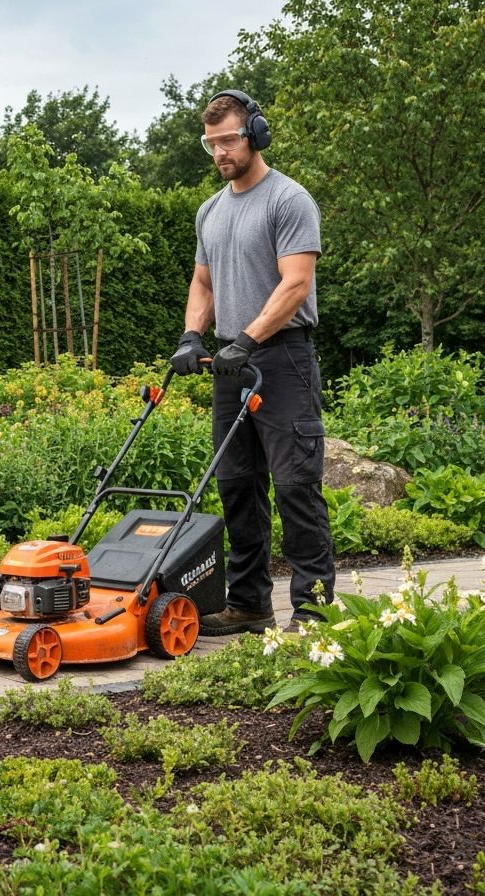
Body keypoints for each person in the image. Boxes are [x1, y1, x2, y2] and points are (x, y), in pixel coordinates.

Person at [169, 89, 335, 635]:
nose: (219, 152)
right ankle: (248, 602)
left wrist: (249, 336)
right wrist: (193, 336)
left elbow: (296, 282)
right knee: (237, 483)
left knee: (294, 483)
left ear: (256, 135)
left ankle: (312, 610)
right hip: (230, 362)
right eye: (210, 143)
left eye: (229, 139)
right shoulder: (209, 211)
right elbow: (203, 281)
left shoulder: (289, 200)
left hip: (282, 356)